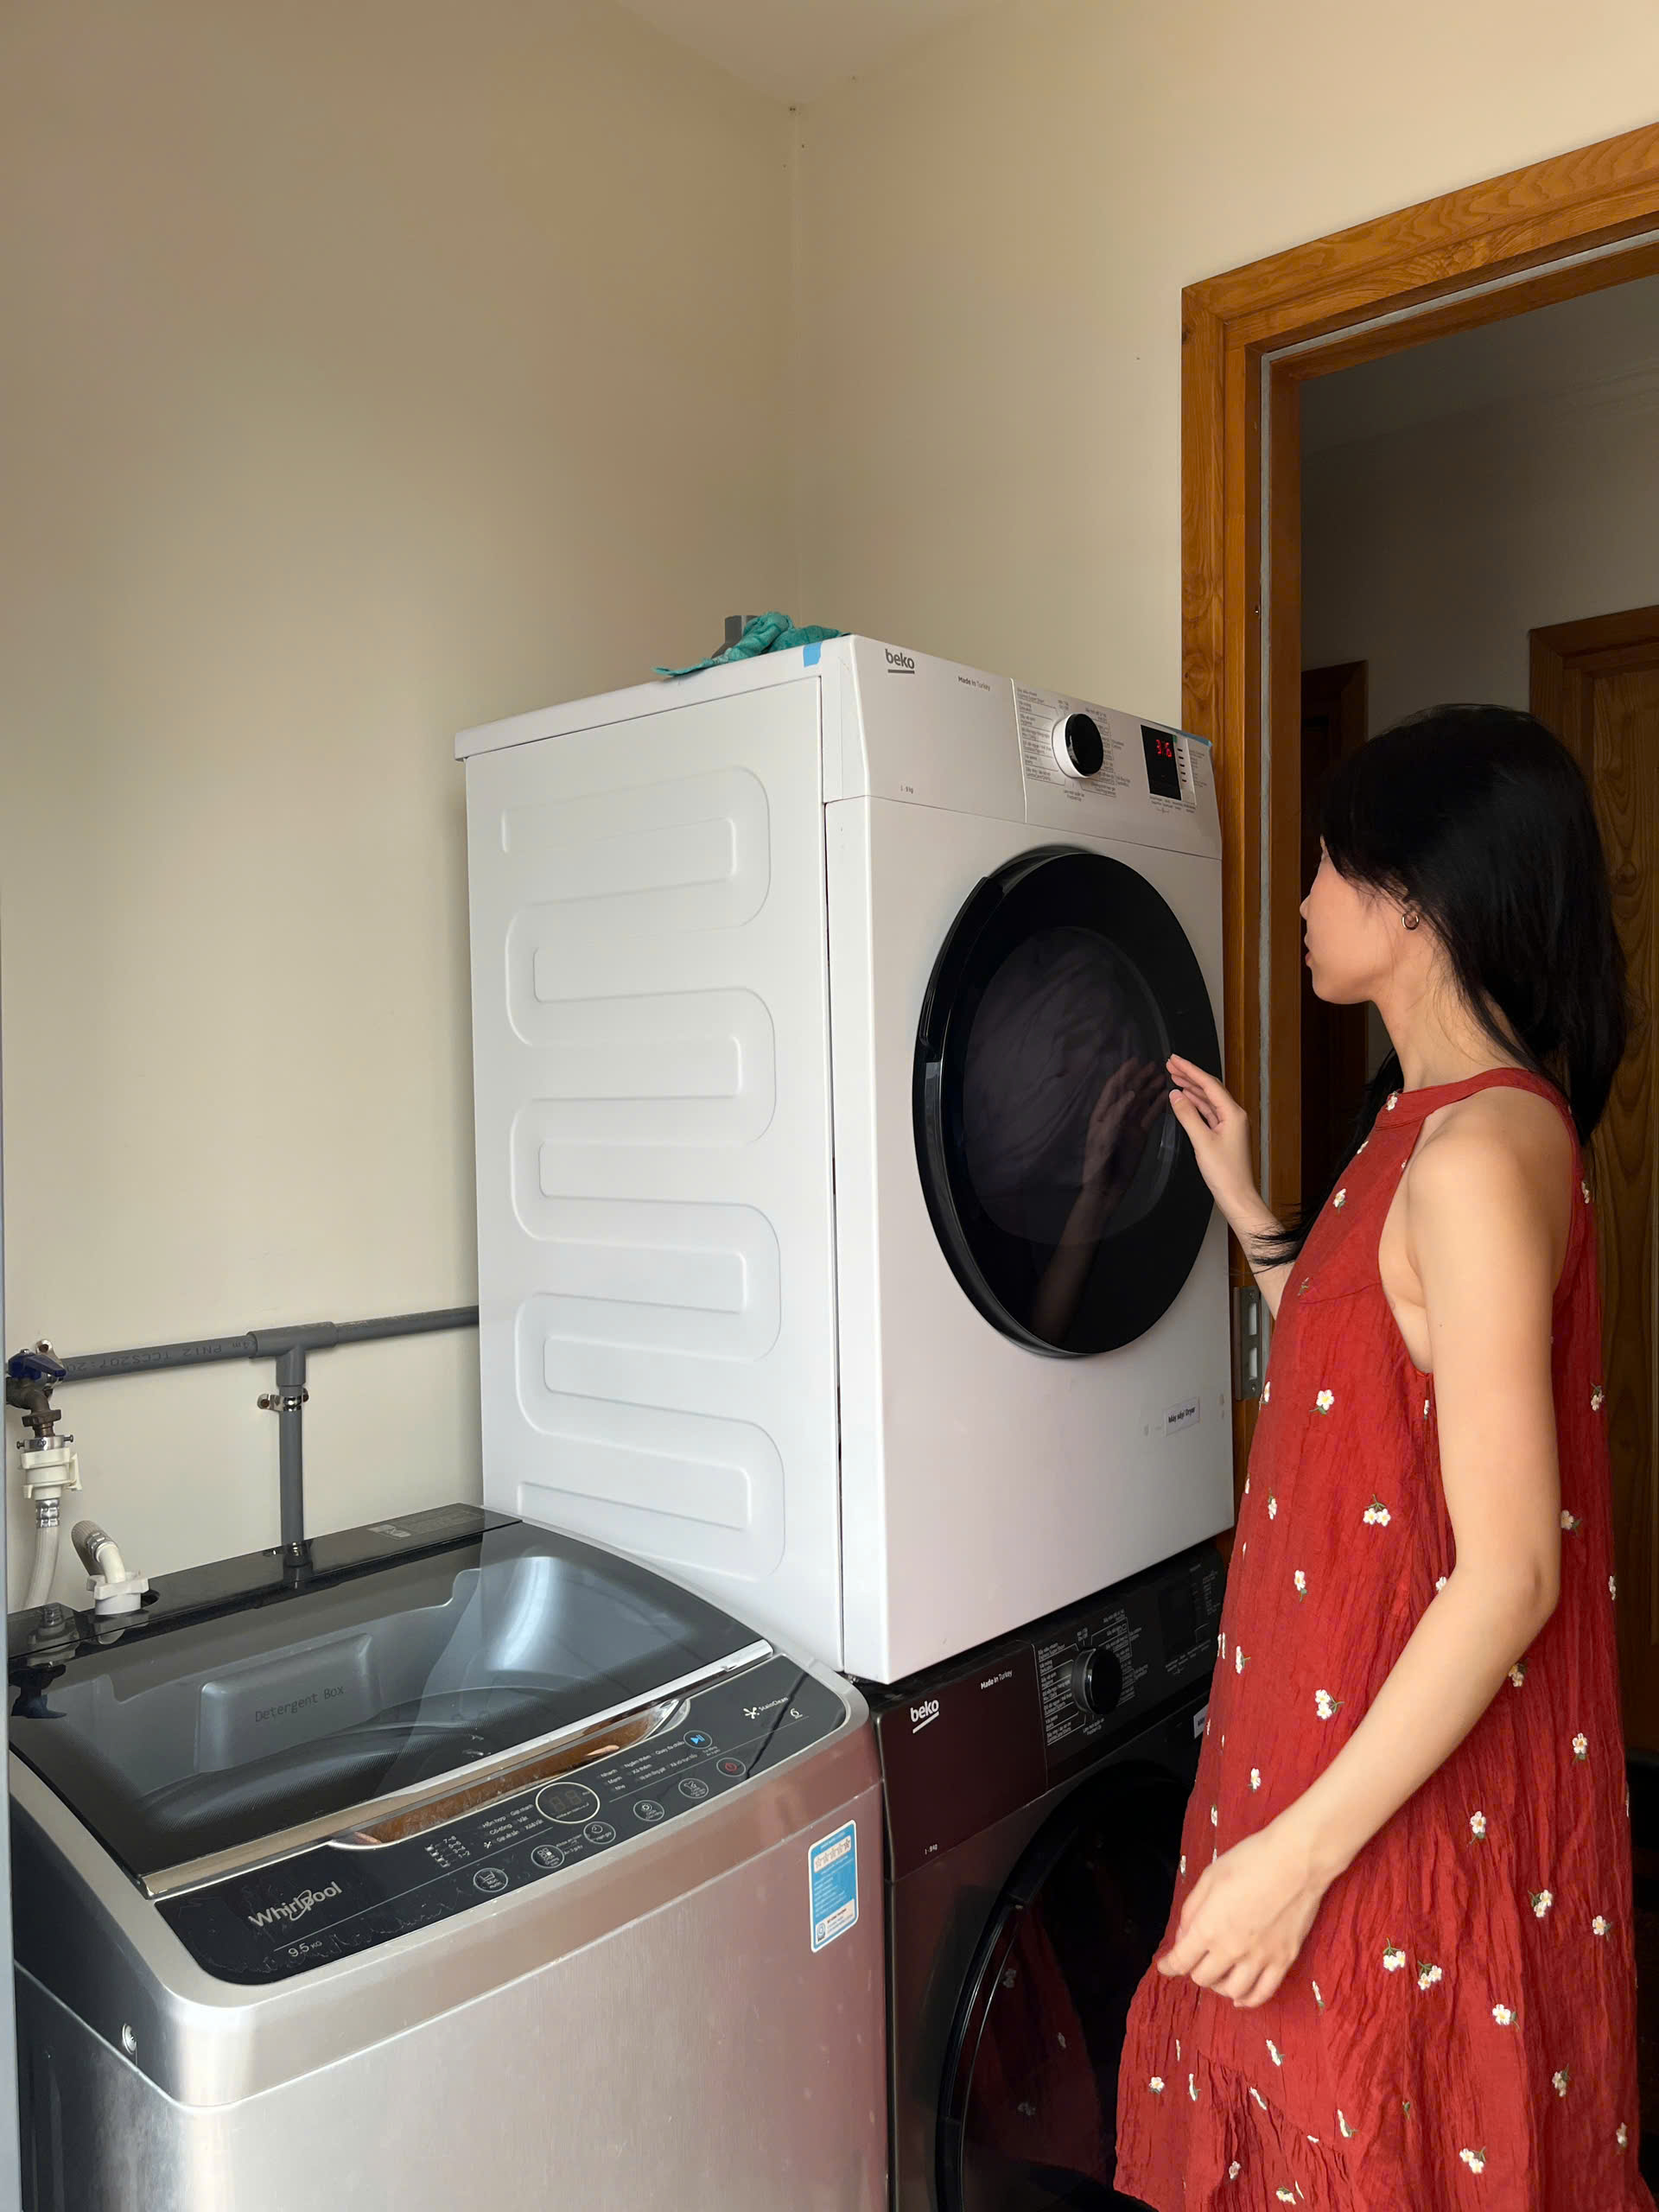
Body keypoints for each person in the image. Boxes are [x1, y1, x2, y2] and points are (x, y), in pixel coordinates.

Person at [1113, 705, 1652, 2211]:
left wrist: (1295, 1862)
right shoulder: (1434, 1127)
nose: (1301, 902)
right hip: (1340, 1737)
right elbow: (1379, 1371)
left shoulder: (1471, 1156)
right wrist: (1249, 1210)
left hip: (1390, 1805)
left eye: (1328, 867)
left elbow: (1513, 1576)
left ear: (1415, 898)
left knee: (1371, 2140)